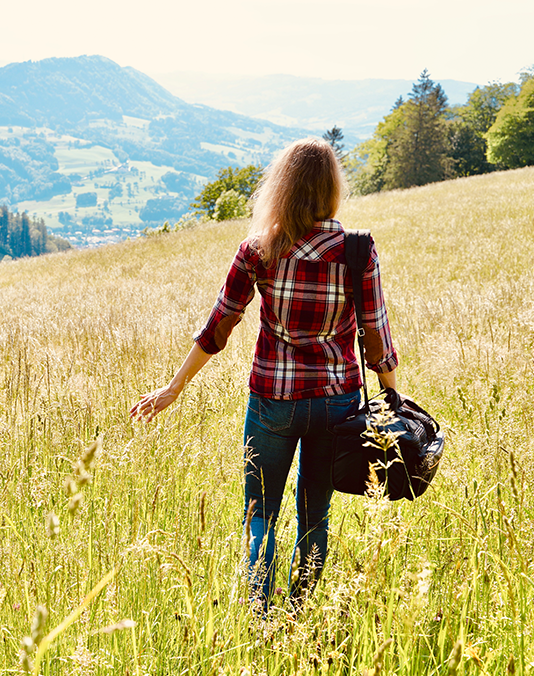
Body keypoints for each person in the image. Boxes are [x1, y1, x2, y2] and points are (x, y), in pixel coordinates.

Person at [130, 138, 398, 610]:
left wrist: (175, 387)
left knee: (260, 517)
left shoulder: (259, 248)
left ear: (283, 188)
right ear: (332, 188)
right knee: (315, 515)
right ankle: (299, 611)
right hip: (338, 403)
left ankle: (259, 617)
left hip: (273, 400)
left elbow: (221, 321)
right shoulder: (357, 250)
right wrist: (392, 401)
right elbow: (376, 333)